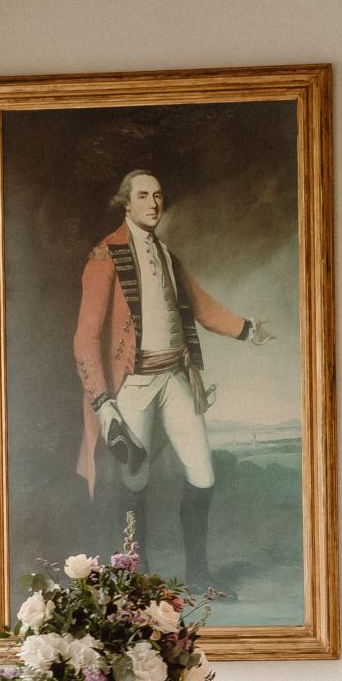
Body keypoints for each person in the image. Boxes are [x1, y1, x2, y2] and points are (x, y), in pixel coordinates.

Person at [71, 169, 271, 586]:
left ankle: (198, 575)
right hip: (132, 385)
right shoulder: (104, 256)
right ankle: (136, 581)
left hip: (175, 377)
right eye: (144, 196)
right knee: (134, 480)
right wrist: (103, 402)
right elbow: (85, 338)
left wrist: (248, 330)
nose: (154, 203)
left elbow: (201, 306)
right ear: (126, 203)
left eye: (158, 195)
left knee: (203, 473)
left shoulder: (165, 253)